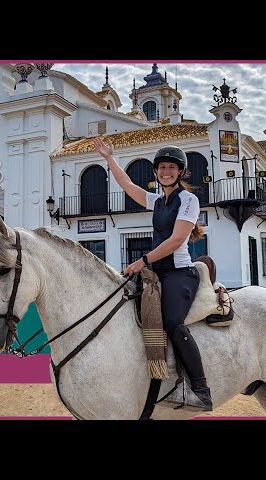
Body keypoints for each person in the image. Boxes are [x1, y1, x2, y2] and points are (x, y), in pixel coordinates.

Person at [92, 137, 212, 411]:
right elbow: (128, 186)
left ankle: (201, 389)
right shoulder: (157, 201)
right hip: (155, 272)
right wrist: (109, 158)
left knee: (172, 323)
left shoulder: (188, 200)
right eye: (161, 168)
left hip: (179, 272)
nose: (166, 172)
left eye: (171, 167)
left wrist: (142, 260)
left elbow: (176, 240)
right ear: (156, 172)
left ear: (180, 172)